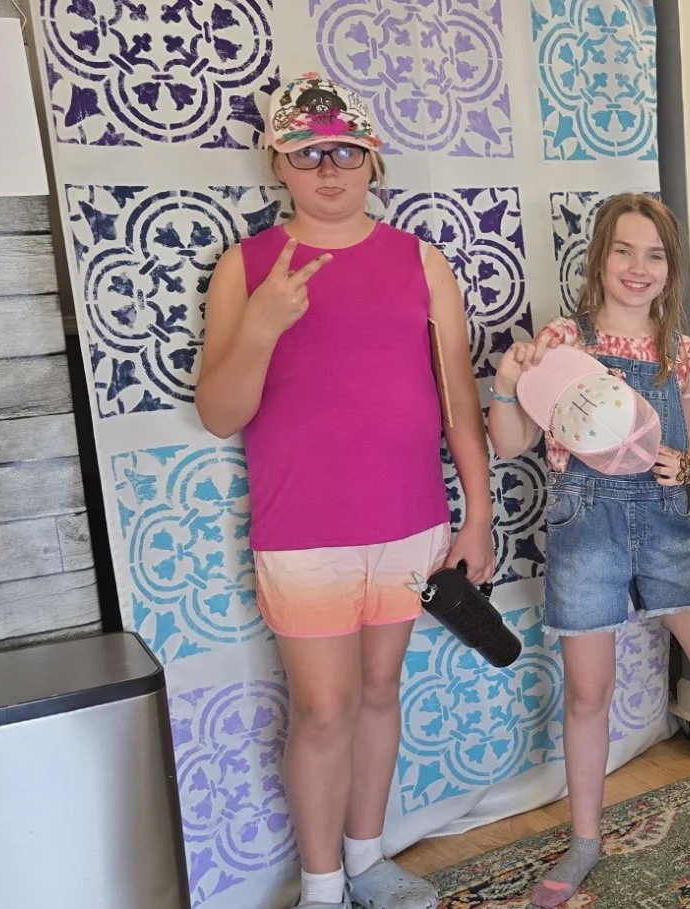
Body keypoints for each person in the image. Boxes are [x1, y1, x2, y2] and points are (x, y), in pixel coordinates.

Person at [196, 73, 494, 909]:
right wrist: (261, 324)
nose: (329, 169)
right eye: (308, 154)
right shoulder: (246, 266)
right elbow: (221, 413)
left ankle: (367, 857)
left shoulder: (419, 260)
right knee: (322, 708)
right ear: (279, 165)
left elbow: (458, 401)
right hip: (302, 533)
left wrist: (475, 516)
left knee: (377, 691)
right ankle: (321, 884)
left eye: (346, 152)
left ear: (372, 161)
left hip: (409, 526)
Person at [486, 193, 690, 906]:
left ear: (671, 270)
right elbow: (510, 443)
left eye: (655, 255)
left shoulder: (680, 352)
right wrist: (508, 385)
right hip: (587, 523)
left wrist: (687, 464)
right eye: (624, 250)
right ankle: (584, 840)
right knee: (587, 692)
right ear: (598, 257)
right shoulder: (562, 342)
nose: (638, 268)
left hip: (665, 519)